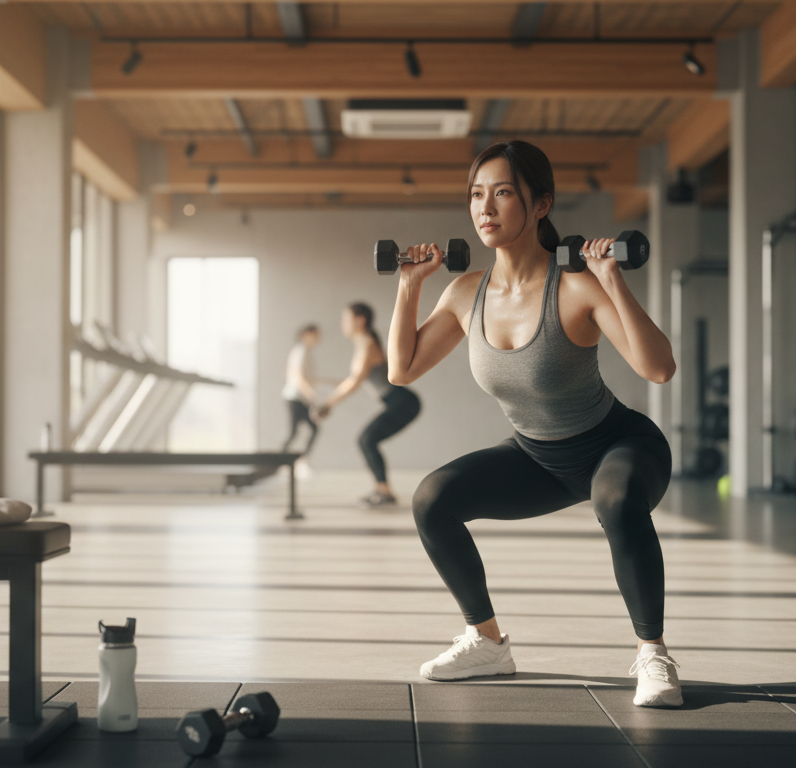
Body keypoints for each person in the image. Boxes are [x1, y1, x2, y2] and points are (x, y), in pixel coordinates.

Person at [385, 140, 681, 707]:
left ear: (540, 204)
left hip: (618, 447)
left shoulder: (574, 285)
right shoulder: (466, 292)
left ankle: (654, 654)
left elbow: (659, 369)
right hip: (538, 458)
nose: (485, 209)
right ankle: (487, 642)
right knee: (432, 498)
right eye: (476, 195)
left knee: (616, 501)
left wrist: (613, 279)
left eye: (502, 193)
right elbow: (402, 370)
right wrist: (408, 286)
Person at [317, 302, 421, 508]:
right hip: (399, 402)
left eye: (345, 318)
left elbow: (355, 381)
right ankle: (382, 490)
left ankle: (384, 492)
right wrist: (325, 384)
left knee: (367, 439)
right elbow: (355, 378)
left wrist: (328, 403)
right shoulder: (363, 343)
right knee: (368, 440)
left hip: (403, 402)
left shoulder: (367, 344)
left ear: (360, 319)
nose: (342, 323)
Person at [281, 324, 323, 457]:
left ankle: (291, 460)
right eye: (315, 335)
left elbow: (308, 378)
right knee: (296, 432)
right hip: (295, 397)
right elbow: (298, 377)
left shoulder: (306, 352)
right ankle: (281, 460)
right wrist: (312, 395)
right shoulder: (301, 351)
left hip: (300, 397)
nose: (317, 338)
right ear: (306, 335)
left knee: (306, 430)